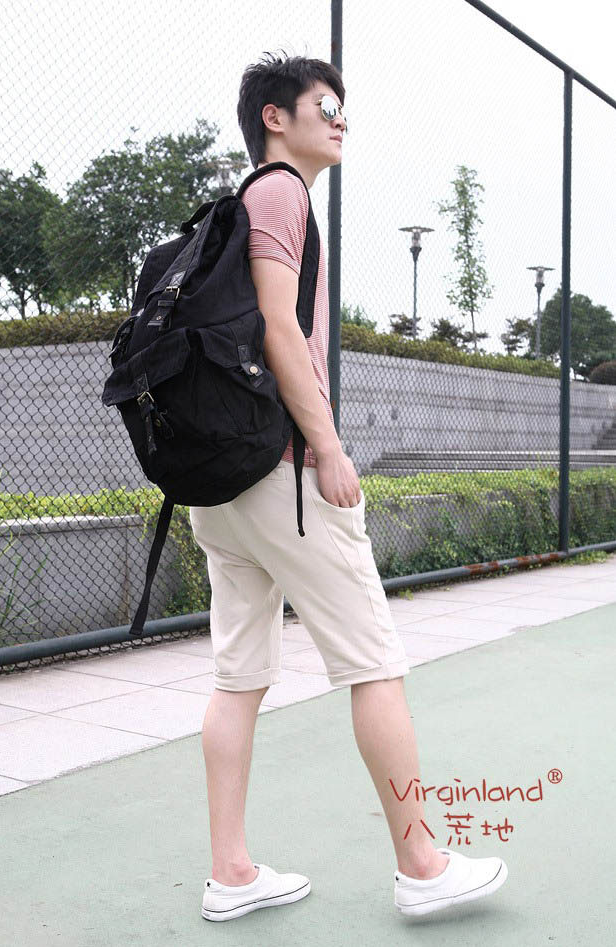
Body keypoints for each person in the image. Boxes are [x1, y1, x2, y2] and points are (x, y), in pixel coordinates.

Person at [196, 49, 508, 922]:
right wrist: (326, 446)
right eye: (325, 105)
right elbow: (277, 326)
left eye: (343, 108)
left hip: (221, 482)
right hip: (283, 473)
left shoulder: (241, 203)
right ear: (275, 118)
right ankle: (422, 865)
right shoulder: (282, 192)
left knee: (238, 676)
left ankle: (231, 873)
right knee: (374, 662)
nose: (341, 120)